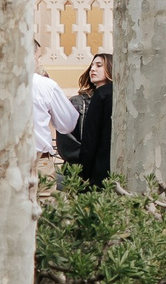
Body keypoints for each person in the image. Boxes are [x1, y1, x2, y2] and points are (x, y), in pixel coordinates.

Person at [31, 43, 77, 183]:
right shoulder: (44, 85)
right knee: (44, 203)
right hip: (37, 160)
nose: (38, 62)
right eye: (38, 57)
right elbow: (68, 123)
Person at [72, 53, 115, 187]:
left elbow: (91, 136)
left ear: (110, 68)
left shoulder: (102, 94)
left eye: (99, 65)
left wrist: (83, 172)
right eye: (91, 65)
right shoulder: (114, 93)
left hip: (99, 165)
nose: (92, 69)